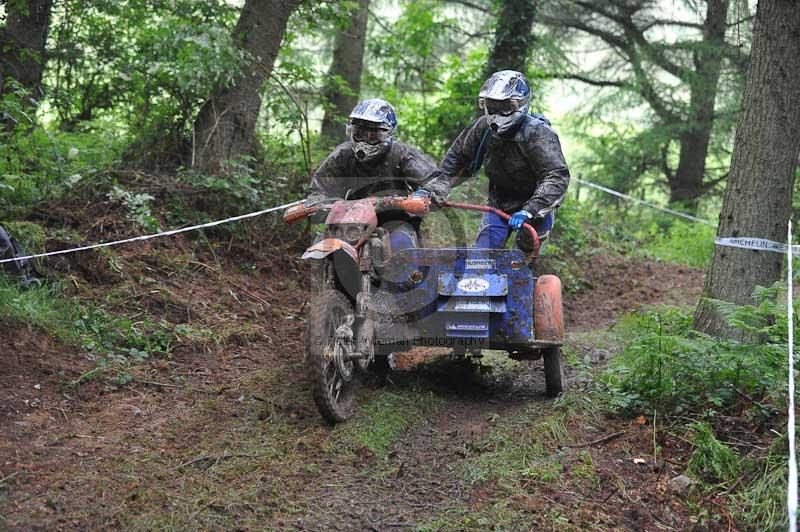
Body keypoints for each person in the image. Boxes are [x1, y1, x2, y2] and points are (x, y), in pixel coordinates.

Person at [416, 70, 570, 251]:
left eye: (505, 107)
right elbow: (456, 160)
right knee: (483, 256)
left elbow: (556, 176)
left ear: (520, 105)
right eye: (492, 105)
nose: (497, 113)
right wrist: (429, 190)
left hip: (537, 210)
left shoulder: (538, 133)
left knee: (520, 263)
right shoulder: (483, 128)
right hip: (499, 204)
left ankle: (524, 275)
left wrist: (530, 210)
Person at [307, 98, 438, 252]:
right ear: (351, 132)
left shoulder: (400, 153)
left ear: (388, 133)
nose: (365, 141)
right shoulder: (342, 155)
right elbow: (319, 190)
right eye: (360, 133)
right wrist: (319, 204)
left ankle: (409, 273)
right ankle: (330, 273)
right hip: (351, 220)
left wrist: (424, 193)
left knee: (402, 246)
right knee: (325, 242)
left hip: (394, 220)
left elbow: (434, 179)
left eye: (372, 136)